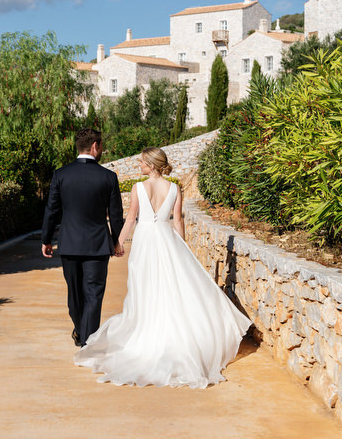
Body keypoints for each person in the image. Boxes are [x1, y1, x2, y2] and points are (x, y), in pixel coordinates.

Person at [74, 147, 251, 388]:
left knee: (144, 289)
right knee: (171, 289)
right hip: (168, 241)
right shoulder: (175, 189)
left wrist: (118, 243)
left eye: (142, 162)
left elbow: (131, 218)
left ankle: (148, 336)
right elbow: (177, 221)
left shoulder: (138, 188)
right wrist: (183, 249)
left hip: (145, 242)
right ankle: (170, 337)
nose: (139, 165)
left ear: (152, 164)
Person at [41, 128, 124, 347]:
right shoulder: (108, 177)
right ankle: (86, 338)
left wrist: (46, 239)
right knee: (94, 294)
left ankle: (83, 334)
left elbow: (52, 210)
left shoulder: (61, 175)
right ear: (95, 146)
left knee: (75, 295)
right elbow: (115, 215)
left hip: (68, 244)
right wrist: (117, 241)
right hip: (98, 245)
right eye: (101, 146)